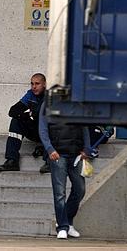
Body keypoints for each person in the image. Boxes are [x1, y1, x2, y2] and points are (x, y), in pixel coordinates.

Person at [38, 99, 91, 239]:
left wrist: (87, 148)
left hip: (76, 154)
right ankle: (63, 227)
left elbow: (84, 127)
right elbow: (42, 128)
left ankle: (66, 222)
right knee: (59, 192)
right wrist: (49, 149)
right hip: (58, 154)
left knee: (80, 189)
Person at [0, 73, 50, 173]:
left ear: (45, 84)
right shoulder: (30, 95)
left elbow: (39, 114)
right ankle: (12, 160)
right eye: (32, 84)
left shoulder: (50, 96)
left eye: (37, 84)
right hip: (34, 131)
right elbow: (13, 111)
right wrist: (27, 115)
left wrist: (31, 114)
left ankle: (50, 162)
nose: (34, 87)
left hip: (47, 132)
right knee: (16, 121)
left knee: (51, 122)